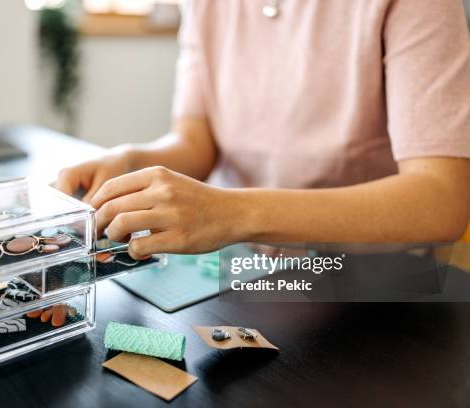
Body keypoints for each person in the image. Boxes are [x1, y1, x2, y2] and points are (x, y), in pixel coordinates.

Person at [55, 0, 470, 259]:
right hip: (238, 265)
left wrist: (233, 212)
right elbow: (197, 141)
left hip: (369, 282)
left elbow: (441, 200)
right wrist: (132, 161)